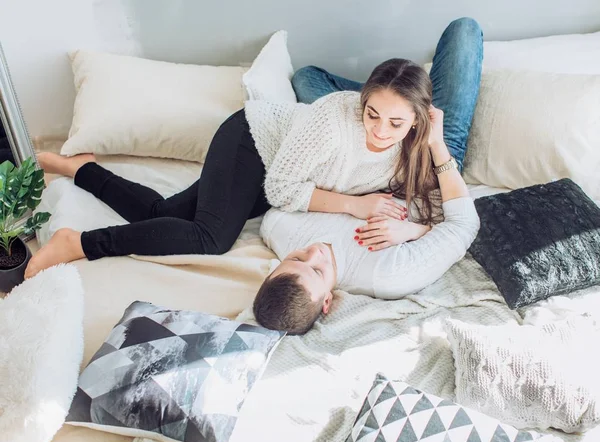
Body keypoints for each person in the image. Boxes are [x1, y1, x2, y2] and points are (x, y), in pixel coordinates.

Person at [24, 17, 482, 279]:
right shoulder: (331, 117)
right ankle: (80, 244)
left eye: (396, 123)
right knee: (212, 237)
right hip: (254, 144)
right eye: (372, 114)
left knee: (161, 212)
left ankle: (78, 169)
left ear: (418, 120)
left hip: (292, 170)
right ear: (360, 103)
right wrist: (355, 206)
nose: (380, 130)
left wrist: (412, 229)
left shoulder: (421, 145)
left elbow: (456, 219)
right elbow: (282, 189)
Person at [253, 105, 480, 335]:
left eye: (297, 257)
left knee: (307, 78)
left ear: (274, 269)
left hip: (381, 156)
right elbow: (464, 225)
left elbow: (284, 199)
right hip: (433, 172)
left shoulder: (277, 228)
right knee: (427, 90)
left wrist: (354, 205)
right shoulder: (388, 274)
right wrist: (415, 230)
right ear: (327, 302)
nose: (314, 252)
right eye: (317, 271)